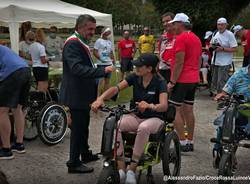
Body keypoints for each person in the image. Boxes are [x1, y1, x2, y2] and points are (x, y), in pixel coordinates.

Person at [92, 53, 168, 184]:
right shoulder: (134, 77)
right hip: (136, 115)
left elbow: (164, 106)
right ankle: (122, 170)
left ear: (149, 69)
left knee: (143, 128)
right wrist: (100, 99)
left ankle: (132, 169)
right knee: (116, 123)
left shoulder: (160, 82)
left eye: (139, 66)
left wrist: (150, 105)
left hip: (155, 118)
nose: (136, 67)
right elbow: (116, 89)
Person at [59, 14, 115, 174]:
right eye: (90, 29)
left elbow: (83, 65)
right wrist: (101, 70)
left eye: (94, 29)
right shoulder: (72, 43)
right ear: (80, 26)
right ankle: (73, 162)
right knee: (78, 128)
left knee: (83, 126)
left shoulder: (80, 42)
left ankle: (85, 153)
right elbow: (76, 69)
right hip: (76, 94)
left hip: (82, 93)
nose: (92, 32)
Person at [167, 13, 202, 152]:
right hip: (193, 78)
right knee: (188, 110)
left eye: (174, 23)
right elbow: (199, 60)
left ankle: (182, 142)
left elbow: (179, 61)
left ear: (181, 24)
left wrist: (172, 82)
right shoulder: (196, 38)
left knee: (174, 110)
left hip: (182, 79)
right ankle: (190, 140)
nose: (173, 26)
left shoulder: (181, 38)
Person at [213, 65, 250, 168]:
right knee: (225, 122)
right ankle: (221, 152)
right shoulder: (239, 74)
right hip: (240, 109)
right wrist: (221, 95)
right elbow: (226, 91)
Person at [0, 45, 31, 160]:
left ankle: (6, 150)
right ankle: (19, 144)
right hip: (26, 70)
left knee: (2, 111)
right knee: (17, 109)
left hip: (13, 73)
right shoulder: (2, 48)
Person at [210, 18, 238, 99]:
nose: (220, 26)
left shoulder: (229, 34)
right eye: (218, 24)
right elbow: (212, 44)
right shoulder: (215, 33)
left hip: (225, 62)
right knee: (215, 81)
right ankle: (218, 97)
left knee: (221, 81)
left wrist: (222, 49)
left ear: (226, 25)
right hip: (215, 61)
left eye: (222, 24)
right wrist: (213, 46)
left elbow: (235, 49)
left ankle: (222, 99)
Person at [93, 27, 115, 96]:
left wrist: (113, 60)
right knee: (100, 81)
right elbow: (94, 51)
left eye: (109, 32)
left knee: (107, 81)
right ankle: (98, 96)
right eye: (108, 32)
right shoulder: (98, 41)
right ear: (104, 32)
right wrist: (101, 59)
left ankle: (105, 96)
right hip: (101, 64)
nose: (109, 33)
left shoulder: (109, 42)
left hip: (109, 64)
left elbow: (111, 52)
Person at [158, 12, 175, 82]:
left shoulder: (180, 36)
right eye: (163, 22)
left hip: (174, 71)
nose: (165, 24)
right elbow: (160, 53)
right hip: (162, 70)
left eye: (167, 21)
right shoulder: (162, 38)